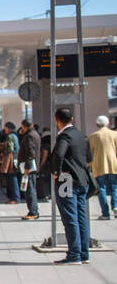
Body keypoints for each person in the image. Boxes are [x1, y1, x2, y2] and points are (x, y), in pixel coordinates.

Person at [46, 107, 93, 264]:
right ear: (71, 119)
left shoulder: (64, 136)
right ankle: (83, 253)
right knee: (81, 217)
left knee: (70, 218)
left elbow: (59, 154)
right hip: (82, 181)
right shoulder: (81, 135)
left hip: (67, 182)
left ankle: (74, 255)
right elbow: (89, 157)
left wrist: (55, 172)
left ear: (57, 121)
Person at [88, 114, 117, 220]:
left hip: (99, 166)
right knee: (114, 188)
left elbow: (89, 153)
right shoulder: (114, 134)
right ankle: (115, 206)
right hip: (113, 165)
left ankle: (105, 213)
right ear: (108, 123)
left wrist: (89, 166)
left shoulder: (93, 136)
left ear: (97, 124)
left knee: (101, 189)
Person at [18, 119, 41, 219]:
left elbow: (31, 153)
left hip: (30, 167)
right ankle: (33, 211)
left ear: (24, 126)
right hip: (32, 166)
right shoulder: (34, 134)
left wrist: (27, 167)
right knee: (30, 188)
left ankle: (33, 212)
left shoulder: (29, 136)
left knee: (30, 189)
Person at [0, 122, 20, 203]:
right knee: (13, 178)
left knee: (12, 179)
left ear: (8, 128)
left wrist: (3, 151)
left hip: (10, 160)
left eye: (5, 128)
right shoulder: (15, 135)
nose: (4, 130)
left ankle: (15, 198)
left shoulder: (10, 136)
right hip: (15, 158)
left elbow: (10, 148)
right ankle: (14, 197)